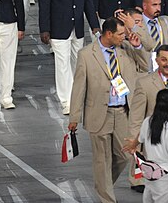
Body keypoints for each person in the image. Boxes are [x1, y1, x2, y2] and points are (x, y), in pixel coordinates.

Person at [68, 17, 147, 203]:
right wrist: (74, 116)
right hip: (99, 113)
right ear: (108, 34)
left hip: (123, 112)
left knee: (126, 155)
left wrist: (137, 46)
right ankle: (107, 199)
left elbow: (145, 66)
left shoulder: (126, 49)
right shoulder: (86, 54)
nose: (124, 36)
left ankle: (103, 185)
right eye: (120, 34)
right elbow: (79, 86)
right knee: (102, 161)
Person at [38, 0, 99, 115]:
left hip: (77, 27)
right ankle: (66, 100)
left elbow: (88, 0)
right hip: (58, 28)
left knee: (77, 63)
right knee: (62, 63)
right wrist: (44, 28)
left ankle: (77, 97)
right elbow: (45, 4)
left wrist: (94, 24)